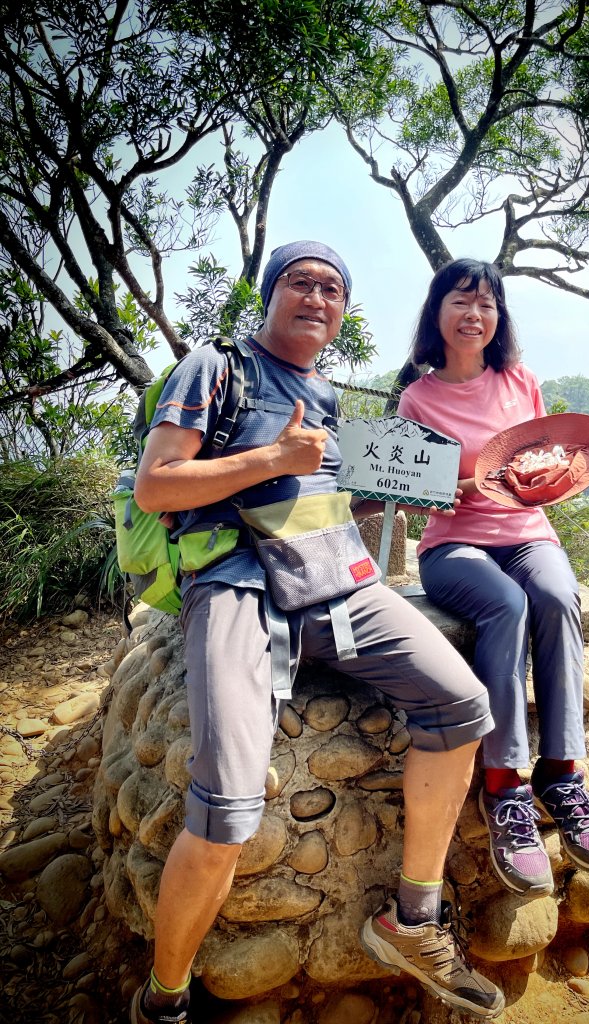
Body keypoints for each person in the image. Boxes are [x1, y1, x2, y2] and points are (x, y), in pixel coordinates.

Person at [130, 241, 505, 1022]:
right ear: (269, 296)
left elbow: (314, 496)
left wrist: (424, 489)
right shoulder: (216, 366)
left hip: (332, 575)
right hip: (236, 582)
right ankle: (164, 999)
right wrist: (273, 455)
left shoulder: (327, 397)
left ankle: (411, 919)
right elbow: (158, 484)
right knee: (229, 802)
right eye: (300, 282)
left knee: (462, 705)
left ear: (342, 313)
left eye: (333, 288)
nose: (317, 296)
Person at [397, 258, 589, 901]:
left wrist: (553, 477)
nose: (475, 315)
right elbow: (414, 496)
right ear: (437, 313)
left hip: (527, 537)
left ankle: (563, 775)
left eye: (487, 304)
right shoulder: (419, 396)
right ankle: (506, 787)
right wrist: (464, 486)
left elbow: (543, 464)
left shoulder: (521, 381)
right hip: (454, 545)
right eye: (461, 302)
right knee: (503, 606)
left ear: (499, 317)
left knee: (554, 595)